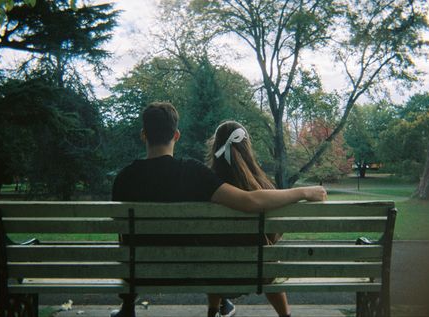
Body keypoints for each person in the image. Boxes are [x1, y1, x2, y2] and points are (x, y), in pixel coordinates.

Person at [111, 102, 327, 317]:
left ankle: (127, 307)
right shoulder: (192, 173)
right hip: (186, 272)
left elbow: (121, 231)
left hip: (138, 274)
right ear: (176, 135)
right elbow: (249, 200)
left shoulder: (124, 178)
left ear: (143, 135)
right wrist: (304, 192)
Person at [206, 121, 290, 317]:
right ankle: (285, 315)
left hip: (216, 273)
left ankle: (213, 311)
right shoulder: (261, 187)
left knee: (212, 251)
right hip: (259, 271)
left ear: (215, 145)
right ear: (247, 147)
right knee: (269, 256)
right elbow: (276, 230)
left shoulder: (207, 183)